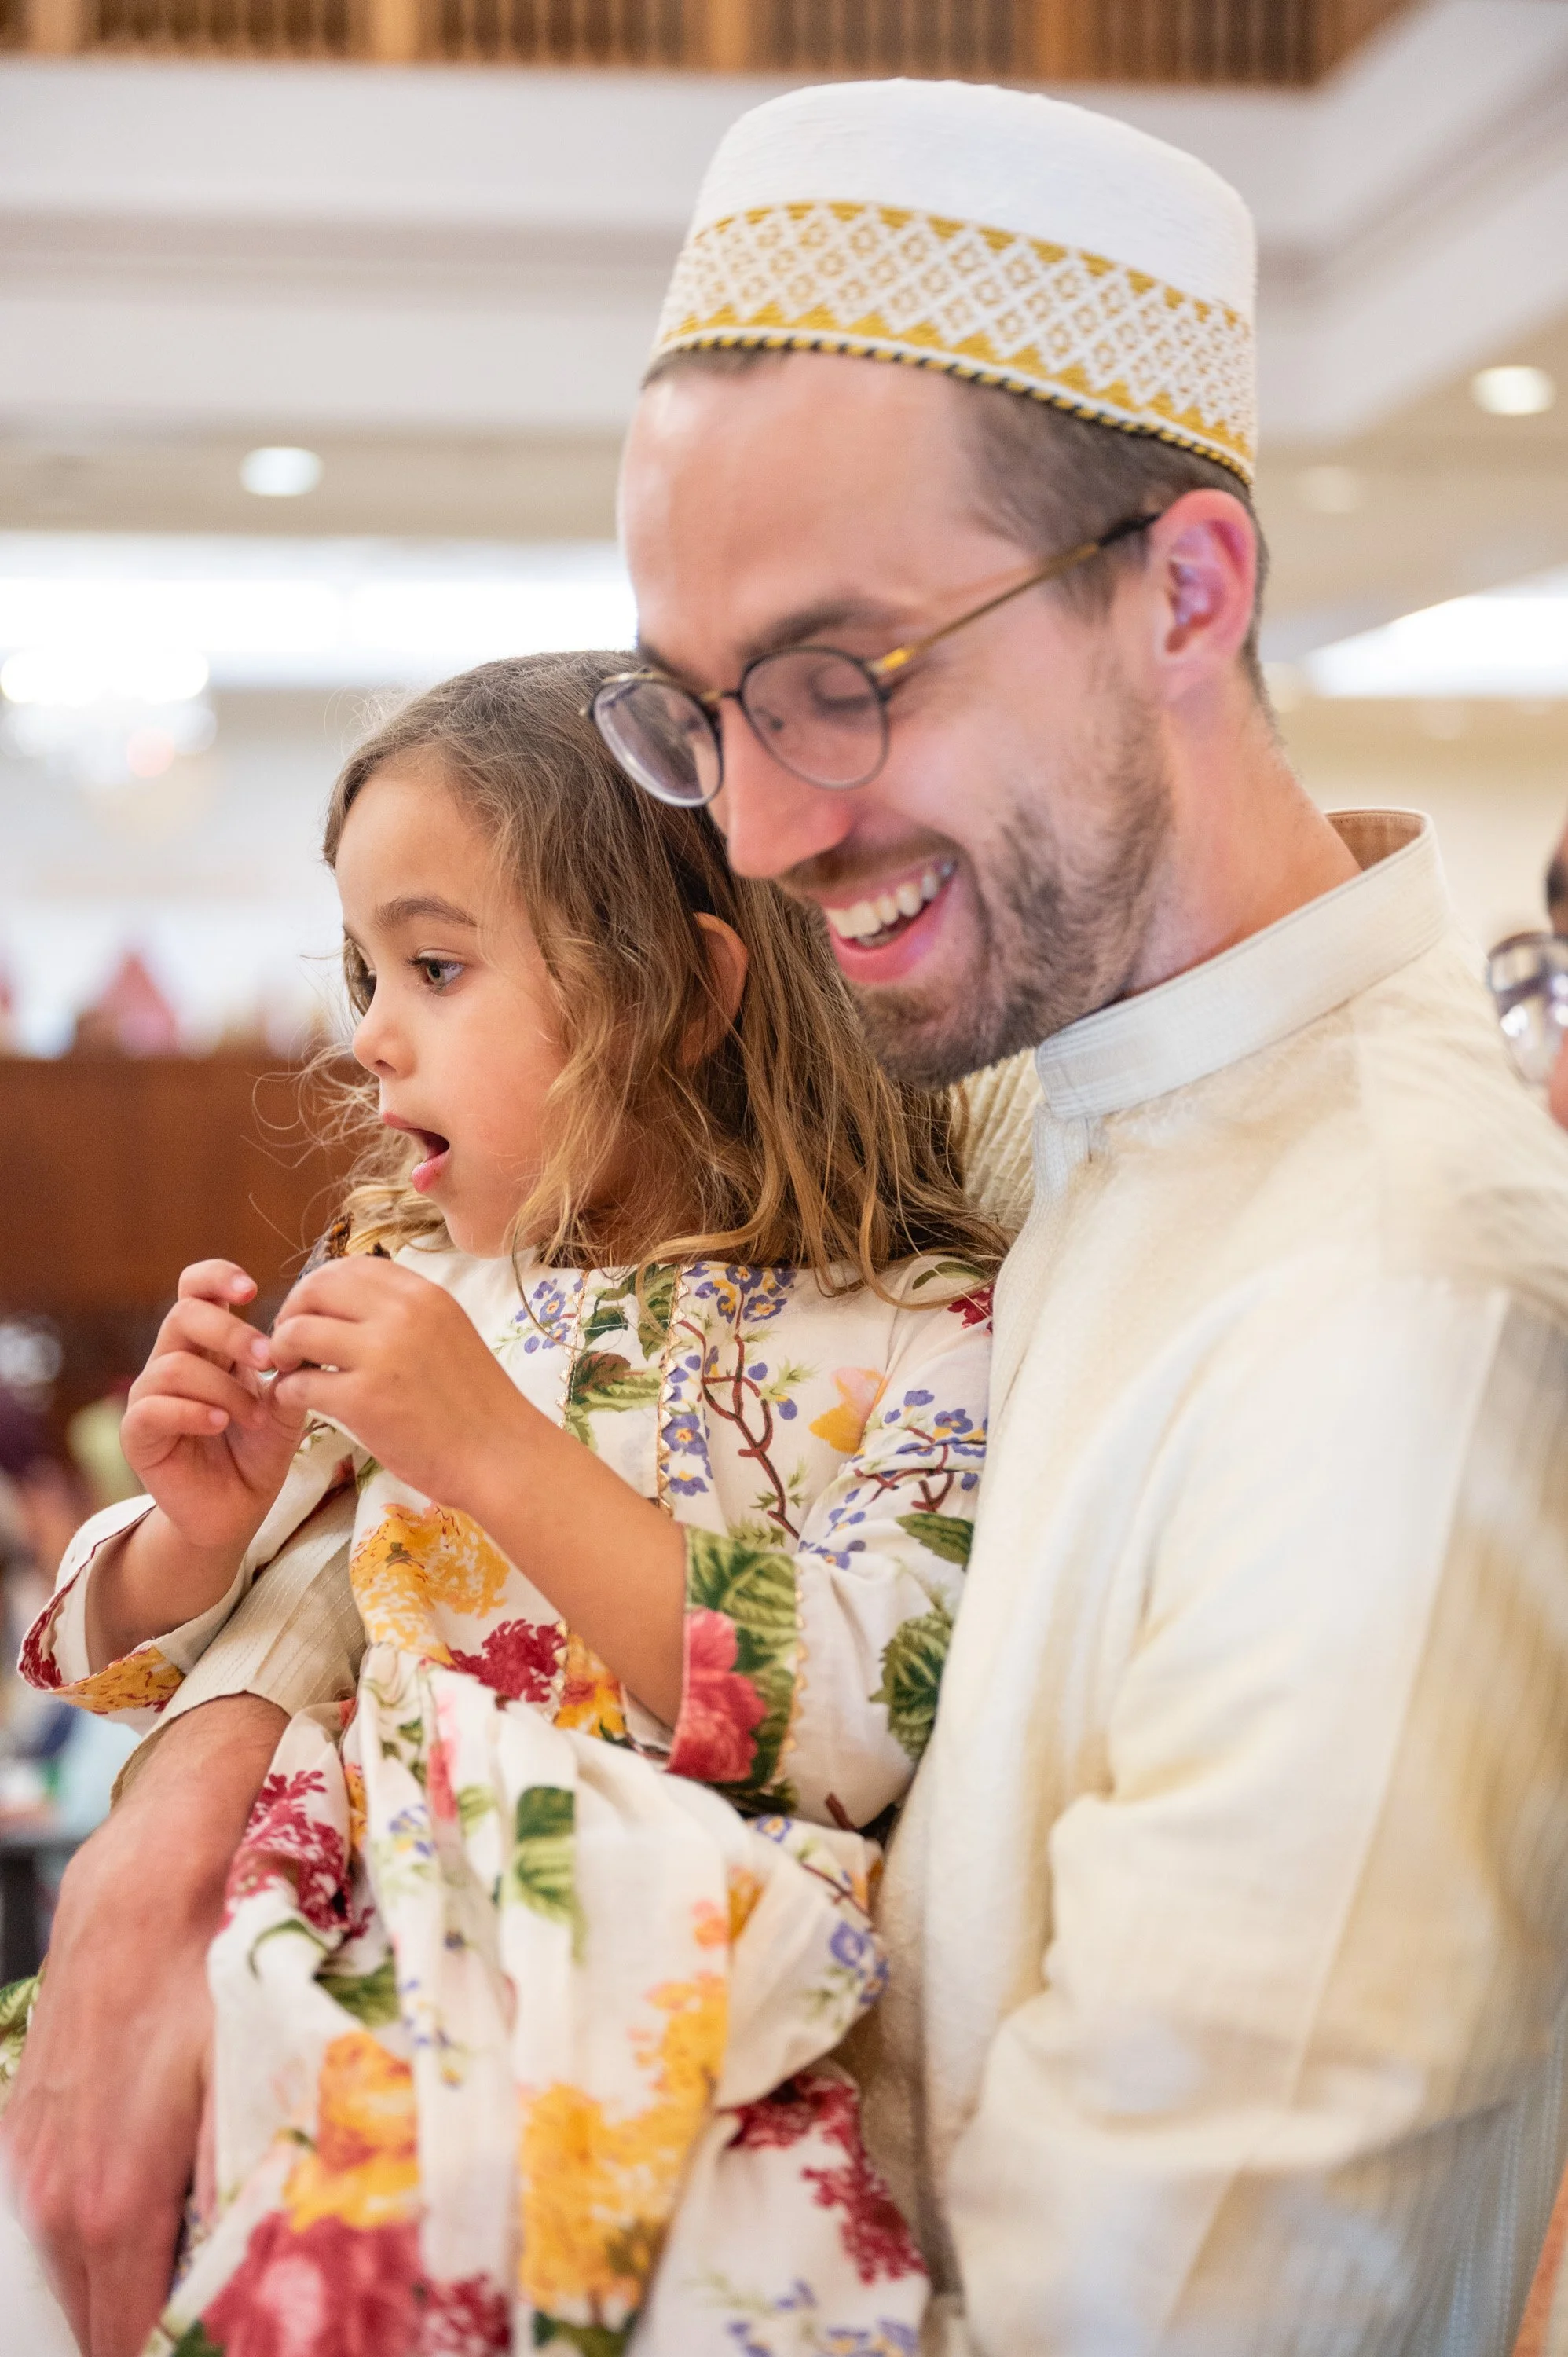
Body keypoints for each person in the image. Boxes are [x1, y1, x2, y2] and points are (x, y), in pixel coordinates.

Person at [16, 70, 1568, 2357]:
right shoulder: (1017, 1073)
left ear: (1187, 590)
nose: (745, 828)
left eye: (839, 685)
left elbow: (1151, 2307)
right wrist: (193, 1793)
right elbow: (477, 1456)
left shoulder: (1404, 1310)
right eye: (697, 714)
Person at [6, 650, 1008, 2351]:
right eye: (364, 970)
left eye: (437, 966)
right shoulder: (406, 1277)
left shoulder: (920, 1329)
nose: (370, 1032)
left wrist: (494, 1452)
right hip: (311, 1941)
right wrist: (191, 1519)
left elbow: (851, 1717)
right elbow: (110, 1659)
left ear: (686, 993)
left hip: (642, 1992)